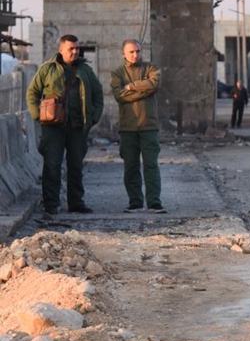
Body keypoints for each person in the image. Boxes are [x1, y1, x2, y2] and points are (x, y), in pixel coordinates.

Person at [26, 34, 103, 219]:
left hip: (77, 127)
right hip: (53, 128)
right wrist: (38, 116)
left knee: (75, 165)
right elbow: (32, 92)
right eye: (71, 49)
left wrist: (93, 118)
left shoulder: (85, 71)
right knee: (52, 165)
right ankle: (51, 205)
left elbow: (98, 94)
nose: (75, 52)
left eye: (77, 48)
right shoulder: (47, 69)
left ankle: (76, 203)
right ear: (61, 50)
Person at [110, 39, 166, 214]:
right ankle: (135, 202)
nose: (135, 55)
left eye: (138, 51)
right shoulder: (117, 73)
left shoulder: (151, 68)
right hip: (128, 128)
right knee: (131, 166)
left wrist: (132, 87)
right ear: (124, 54)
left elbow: (154, 84)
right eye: (131, 52)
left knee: (151, 165)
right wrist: (143, 92)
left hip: (149, 126)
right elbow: (120, 96)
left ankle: (154, 202)